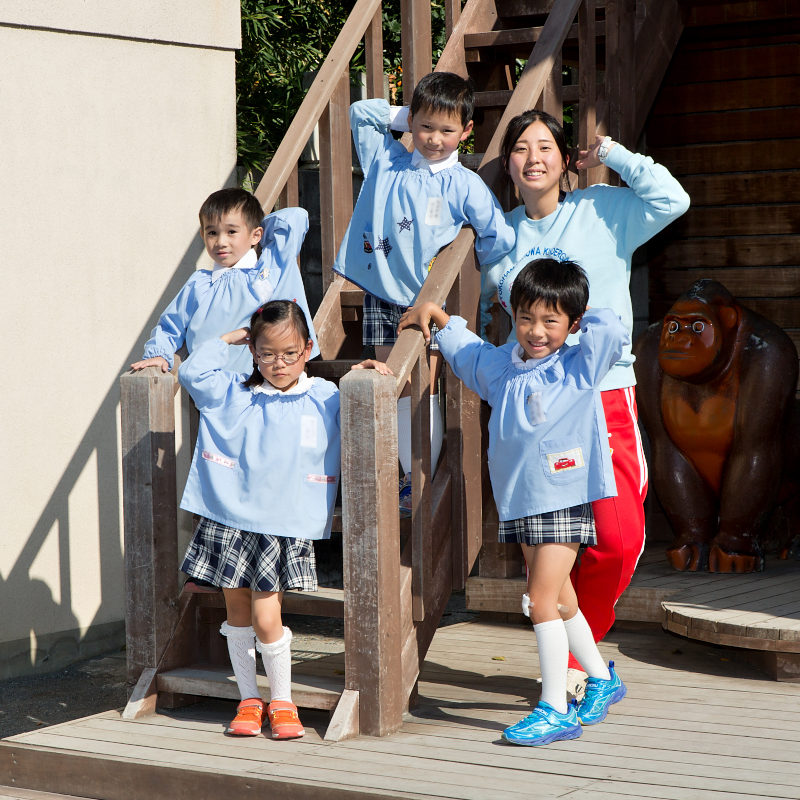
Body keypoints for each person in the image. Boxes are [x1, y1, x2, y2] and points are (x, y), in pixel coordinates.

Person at [481, 111, 690, 692]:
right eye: (520, 149)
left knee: (619, 539)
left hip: (603, 394)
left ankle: (581, 652)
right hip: (540, 416)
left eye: (545, 145)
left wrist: (614, 153)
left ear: (564, 156)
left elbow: (673, 200)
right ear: (508, 165)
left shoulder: (601, 207)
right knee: (549, 553)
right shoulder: (499, 237)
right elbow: (481, 313)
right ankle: (580, 670)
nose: (533, 158)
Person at [397, 258, 629, 746]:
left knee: (540, 600)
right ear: (513, 316)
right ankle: (602, 680)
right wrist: (439, 317)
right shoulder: (503, 367)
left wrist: (584, 312)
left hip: (563, 498)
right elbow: (466, 352)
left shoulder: (579, 364)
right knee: (561, 598)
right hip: (521, 502)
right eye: (526, 318)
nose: (537, 331)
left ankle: (554, 708)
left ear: (572, 324)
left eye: (552, 321)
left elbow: (611, 328)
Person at [335, 71, 515, 511]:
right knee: (384, 380)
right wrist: (409, 115)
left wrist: (481, 284)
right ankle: (395, 478)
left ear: (466, 132)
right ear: (412, 122)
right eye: (426, 127)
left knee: (422, 386)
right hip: (381, 291)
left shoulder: (463, 183)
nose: (435, 138)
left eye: (447, 130)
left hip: (427, 302)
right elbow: (360, 113)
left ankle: (420, 479)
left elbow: (498, 236)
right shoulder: (389, 160)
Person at [177, 300, 340, 740]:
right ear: (253, 352)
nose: (278, 363)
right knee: (236, 612)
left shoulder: (325, 396)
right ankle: (249, 699)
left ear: (308, 348)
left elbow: (369, 402)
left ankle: (282, 701)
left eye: (289, 352)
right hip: (230, 519)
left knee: (268, 616)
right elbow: (192, 373)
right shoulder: (235, 392)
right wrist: (231, 337)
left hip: (281, 525)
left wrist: (366, 370)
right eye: (266, 353)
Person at [131, 187, 318, 374]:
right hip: (209, 388)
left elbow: (296, 217)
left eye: (231, 231)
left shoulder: (267, 272)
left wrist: (255, 231)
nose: (221, 241)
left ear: (256, 235)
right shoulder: (199, 283)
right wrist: (159, 353)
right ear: (203, 236)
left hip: (261, 384)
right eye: (212, 233)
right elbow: (171, 325)